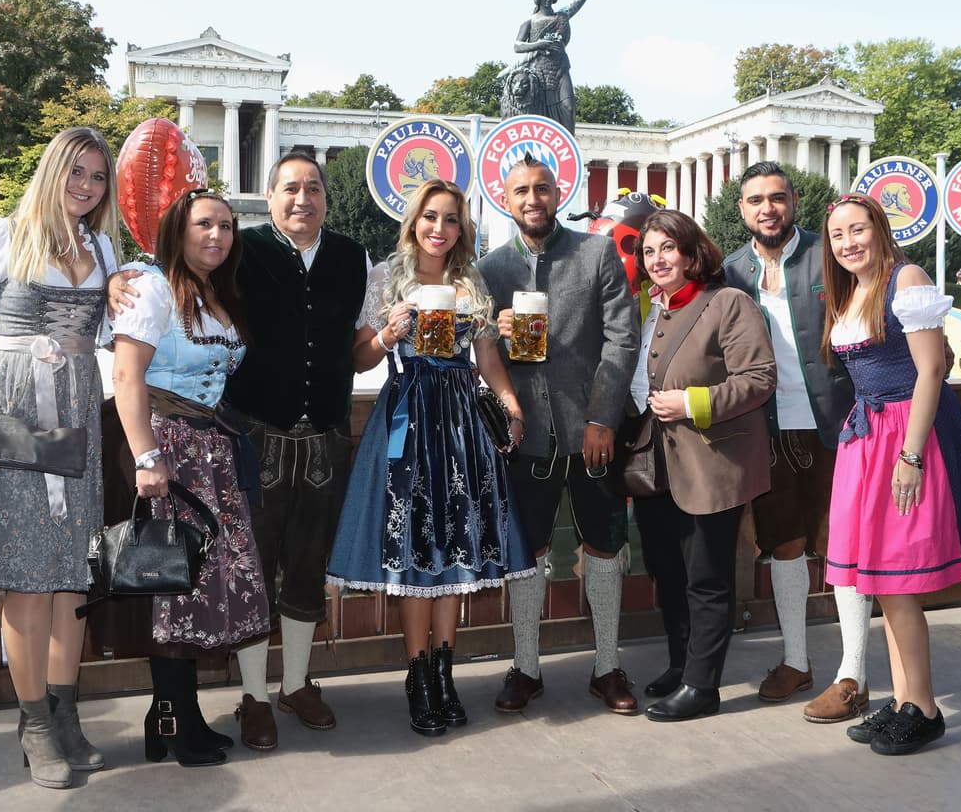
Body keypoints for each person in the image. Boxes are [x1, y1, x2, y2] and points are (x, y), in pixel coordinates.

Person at [110, 150, 367, 751]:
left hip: (321, 434)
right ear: (270, 197)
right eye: (289, 188)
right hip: (248, 438)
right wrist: (117, 279)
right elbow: (158, 276)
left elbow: (361, 334)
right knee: (241, 569)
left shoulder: (355, 257)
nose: (302, 199)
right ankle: (252, 697)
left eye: (313, 188)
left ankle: (296, 684)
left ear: (326, 197)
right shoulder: (239, 251)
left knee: (305, 566)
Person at [0, 126, 121, 789]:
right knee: (25, 573)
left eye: (99, 177)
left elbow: (112, 333)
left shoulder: (102, 247)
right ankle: (34, 722)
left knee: (72, 572)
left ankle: (66, 714)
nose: (87, 186)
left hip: (74, 408)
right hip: (14, 406)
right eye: (77, 171)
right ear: (52, 171)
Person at [327, 179, 534, 737]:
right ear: (413, 222)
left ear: (461, 227)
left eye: (450, 219)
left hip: (462, 423)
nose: (439, 228)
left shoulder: (472, 281)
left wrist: (510, 405)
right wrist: (390, 333)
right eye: (430, 217)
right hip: (408, 420)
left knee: (455, 549)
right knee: (413, 553)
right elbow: (358, 359)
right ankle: (418, 676)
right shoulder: (385, 278)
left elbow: (487, 356)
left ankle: (445, 674)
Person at [821, 192, 961, 755]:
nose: (848, 242)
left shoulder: (906, 279)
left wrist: (912, 455)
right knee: (878, 578)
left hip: (904, 433)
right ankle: (903, 700)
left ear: (879, 229)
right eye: (837, 235)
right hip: (867, 437)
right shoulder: (853, 291)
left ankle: (923, 708)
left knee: (899, 584)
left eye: (858, 230)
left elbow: (931, 372)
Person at [110, 189, 270, 766]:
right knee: (169, 588)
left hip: (211, 452)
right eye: (204, 224)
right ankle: (178, 722)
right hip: (169, 450)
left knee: (189, 586)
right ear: (177, 230)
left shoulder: (214, 292)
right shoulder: (151, 286)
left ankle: (169, 717)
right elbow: (127, 376)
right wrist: (148, 461)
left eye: (227, 227)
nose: (217, 236)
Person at [478, 154, 641, 716]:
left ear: (558, 191)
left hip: (591, 433)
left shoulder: (595, 253)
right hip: (526, 436)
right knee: (529, 552)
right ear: (505, 197)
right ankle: (526, 665)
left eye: (542, 188)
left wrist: (602, 418)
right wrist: (494, 336)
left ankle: (607, 664)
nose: (533, 199)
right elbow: (478, 356)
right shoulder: (489, 269)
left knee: (604, 546)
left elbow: (623, 341)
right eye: (521, 190)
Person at [723, 162, 872, 724]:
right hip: (767, 430)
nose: (768, 209)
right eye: (756, 200)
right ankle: (795, 661)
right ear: (742, 209)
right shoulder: (731, 270)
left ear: (795, 201)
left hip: (841, 423)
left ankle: (852, 674)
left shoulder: (831, 252)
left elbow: (882, 298)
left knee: (844, 549)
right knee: (783, 545)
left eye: (777, 198)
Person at [631, 210, 776, 721]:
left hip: (713, 465)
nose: (657, 259)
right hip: (659, 469)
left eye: (667, 248)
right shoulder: (656, 308)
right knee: (668, 573)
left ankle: (702, 686)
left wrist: (693, 403)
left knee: (706, 579)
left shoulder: (728, 303)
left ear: (694, 253)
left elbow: (759, 377)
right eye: (649, 251)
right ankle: (682, 665)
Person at [503, 0, 587, 133]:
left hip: (560, 69)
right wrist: (539, 44)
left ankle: (568, 152)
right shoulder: (530, 21)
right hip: (537, 73)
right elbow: (517, 46)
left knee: (569, 108)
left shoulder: (562, 15)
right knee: (538, 116)